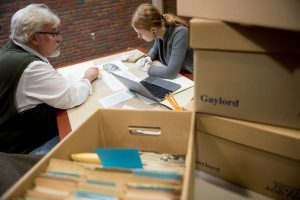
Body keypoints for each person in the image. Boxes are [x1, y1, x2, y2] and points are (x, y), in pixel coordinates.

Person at [0, 4, 99, 154]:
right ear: (34, 38)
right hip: (27, 150)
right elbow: (72, 97)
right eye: (54, 33)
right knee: (92, 133)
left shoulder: (12, 52)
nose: (60, 39)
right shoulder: (31, 67)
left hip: (14, 142)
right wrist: (87, 77)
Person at [132, 3, 193, 79]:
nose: (138, 36)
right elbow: (155, 49)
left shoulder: (180, 33)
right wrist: (148, 58)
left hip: (191, 77)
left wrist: (148, 69)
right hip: (179, 74)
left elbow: (171, 73)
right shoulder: (159, 30)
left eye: (140, 33)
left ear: (153, 30)